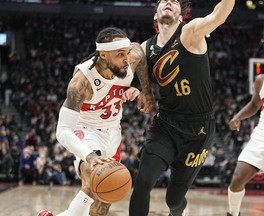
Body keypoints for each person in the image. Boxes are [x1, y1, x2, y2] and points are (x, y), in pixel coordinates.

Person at [129, 0, 235, 216]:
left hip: (199, 129)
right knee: (143, 181)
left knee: (174, 199)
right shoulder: (144, 48)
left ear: (181, 15)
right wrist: (137, 90)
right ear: (155, 16)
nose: (168, 2)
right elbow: (128, 73)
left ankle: (178, 212)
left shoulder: (190, 32)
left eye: (175, 1)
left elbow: (219, 15)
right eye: (163, 0)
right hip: (166, 125)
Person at [38, 26, 155, 216]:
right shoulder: (82, 82)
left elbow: (140, 54)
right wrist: (90, 156)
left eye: (126, 53)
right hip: (86, 131)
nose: (127, 59)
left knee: (104, 199)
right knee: (93, 180)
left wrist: (145, 91)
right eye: (120, 54)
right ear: (103, 54)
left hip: (112, 133)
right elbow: (63, 131)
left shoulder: (129, 59)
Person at [226, 44, 264, 216]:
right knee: (237, 179)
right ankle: (233, 214)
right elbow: (255, 105)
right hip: (263, 133)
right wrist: (238, 117)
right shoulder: (262, 80)